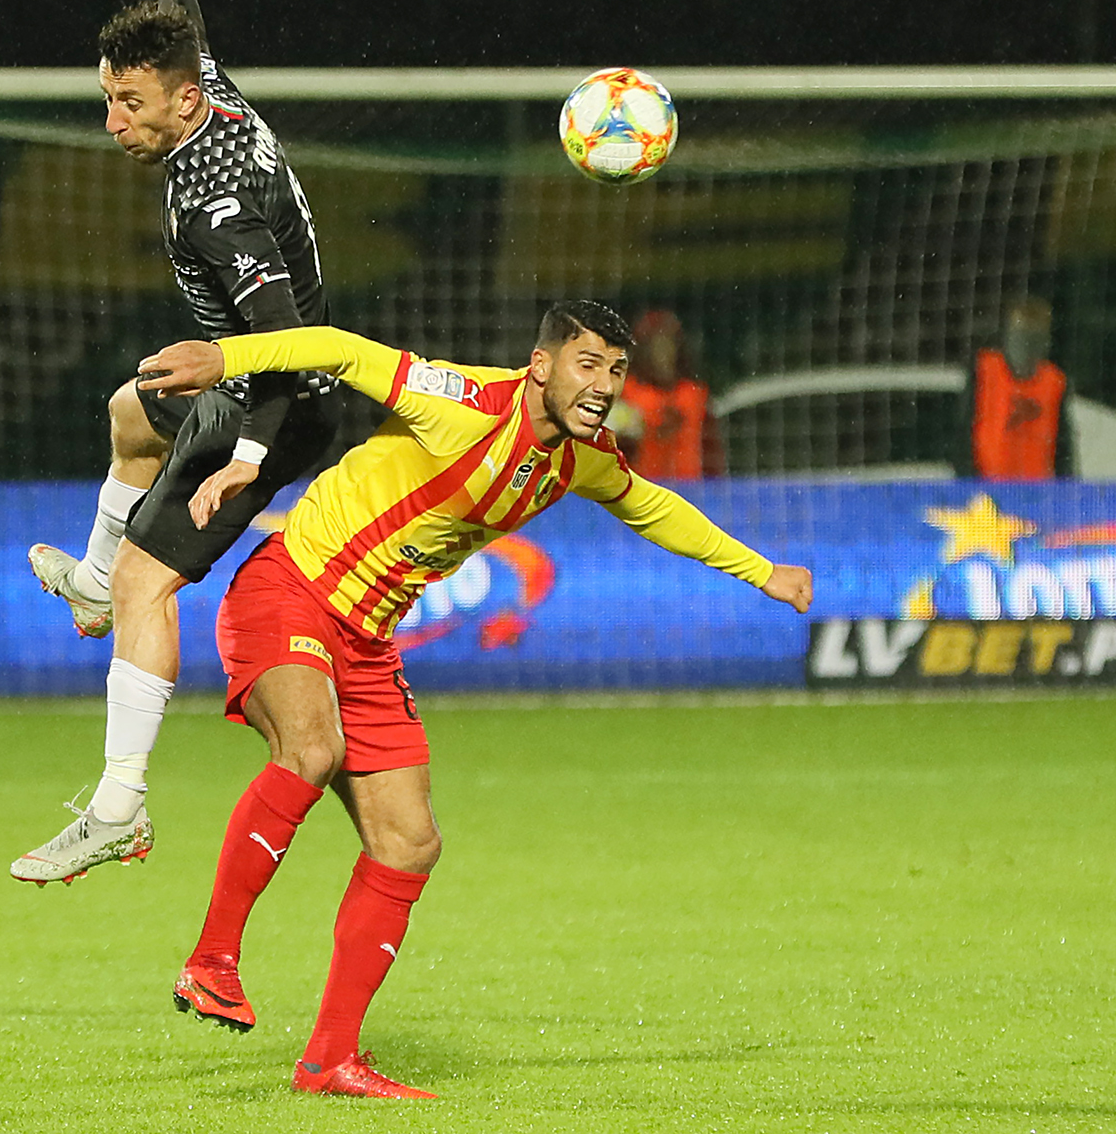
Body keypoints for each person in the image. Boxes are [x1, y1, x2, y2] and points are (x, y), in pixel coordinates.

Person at [135, 302, 813, 1099]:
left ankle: (329, 1061)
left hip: (368, 638)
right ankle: (212, 960)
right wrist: (225, 359)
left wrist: (760, 569)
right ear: (541, 365)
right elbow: (337, 347)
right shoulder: (462, 402)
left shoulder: (579, 459)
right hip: (293, 587)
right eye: (587, 364)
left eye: (616, 369)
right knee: (311, 749)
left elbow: (650, 504)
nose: (604, 385)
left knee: (408, 842)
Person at [15, 0, 343, 884]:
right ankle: (91, 580)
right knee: (130, 409)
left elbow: (287, 345)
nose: (112, 120)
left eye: (127, 102)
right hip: (234, 377)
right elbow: (188, 35)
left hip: (274, 402)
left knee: (146, 586)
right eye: (107, 97)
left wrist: (247, 458)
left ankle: (118, 807)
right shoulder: (211, 92)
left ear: (181, 102)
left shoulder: (216, 205)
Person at [962, 296, 1073, 479]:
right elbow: (963, 431)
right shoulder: (984, 370)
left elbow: (1063, 446)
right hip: (988, 485)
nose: (1026, 347)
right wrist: (968, 480)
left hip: (1036, 487)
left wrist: (1068, 487)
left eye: (1035, 338)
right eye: (1022, 336)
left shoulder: (1054, 382)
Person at [608, 308, 719, 478]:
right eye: (654, 346)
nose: (662, 354)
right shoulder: (625, 392)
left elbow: (712, 454)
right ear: (642, 350)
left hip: (690, 488)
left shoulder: (695, 394)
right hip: (641, 488)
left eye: (668, 344)